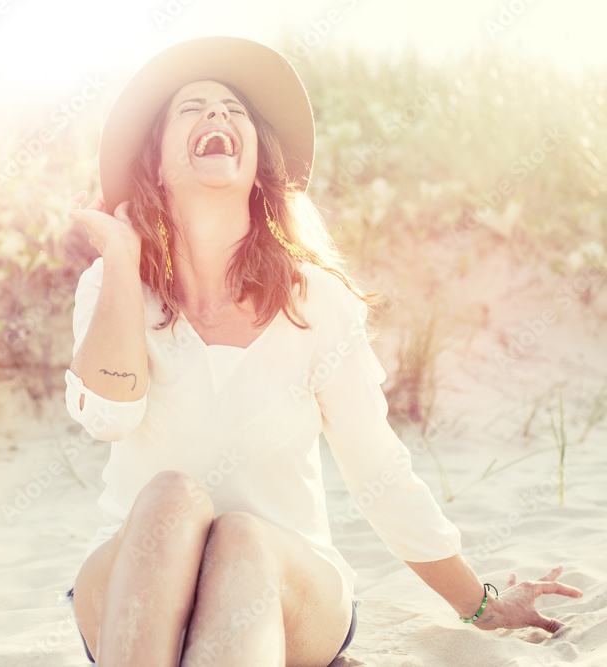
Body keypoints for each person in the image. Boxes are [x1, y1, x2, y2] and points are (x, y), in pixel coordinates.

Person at [60, 37, 582, 666]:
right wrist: (120, 261)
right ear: (160, 165)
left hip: (288, 587)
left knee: (242, 539)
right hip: (133, 589)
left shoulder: (318, 302)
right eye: (191, 108)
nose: (218, 116)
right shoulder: (113, 287)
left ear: (257, 164)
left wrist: (480, 603)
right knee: (170, 497)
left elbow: (378, 474)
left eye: (234, 109)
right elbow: (106, 416)